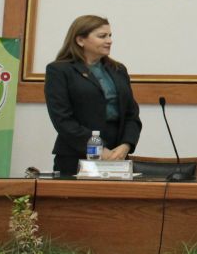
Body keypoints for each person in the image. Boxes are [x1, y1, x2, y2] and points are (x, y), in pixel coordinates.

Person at [44, 15, 142, 175]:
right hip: (76, 155)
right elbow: (62, 119)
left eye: (110, 35)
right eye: (102, 36)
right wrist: (98, 148)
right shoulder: (59, 70)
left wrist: (126, 145)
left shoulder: (118, 69)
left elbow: (132, 114)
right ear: (80, 40)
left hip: (116, 155)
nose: (109, 41)